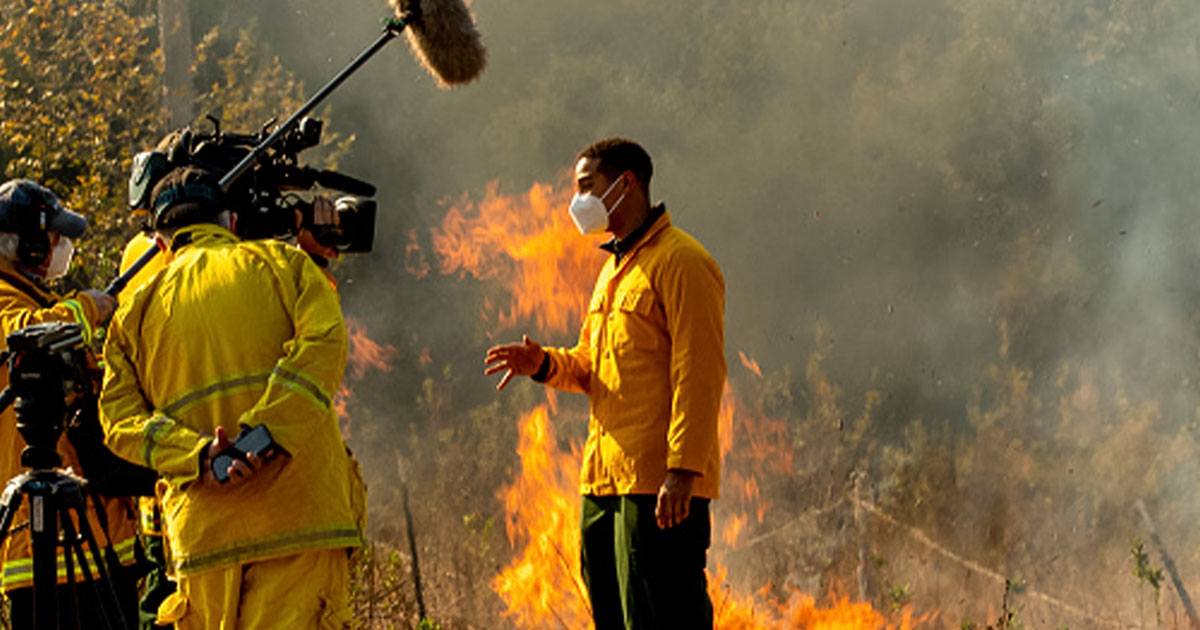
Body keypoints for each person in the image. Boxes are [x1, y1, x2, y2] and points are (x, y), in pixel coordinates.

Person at [99, 166, 365, 629]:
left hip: (204, 540)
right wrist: (264, 435)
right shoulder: (286, 266)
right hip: (300, 523)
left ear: (161, 244)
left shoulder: (133, 314)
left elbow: (119, 422)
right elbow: (324, 344)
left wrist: (199, 455)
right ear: (232, 223)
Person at [484, 138, 726, 629]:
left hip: (658, 486)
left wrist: (682, 469)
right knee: (614, 618)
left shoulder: (682, 261)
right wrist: (545, 363)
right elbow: (592, 366)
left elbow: (699, 372)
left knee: (663, 615)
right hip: (603, 483)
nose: (579, 200)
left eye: (587, 186)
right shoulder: (614, 271)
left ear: (626, 183)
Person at [0, 179, 143, 626]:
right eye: (55, 238)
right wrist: (88, 308)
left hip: (95, 531)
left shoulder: (38, 299)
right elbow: (24, 335)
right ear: (26, 245)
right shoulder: (14, 306)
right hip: (45, 545)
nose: (62, 249)